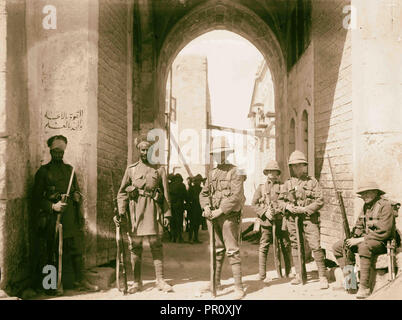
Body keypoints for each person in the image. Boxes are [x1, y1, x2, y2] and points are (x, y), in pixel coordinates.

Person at [32, 135, 98, 295]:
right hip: (52, 219)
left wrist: (76, 196)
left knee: (76, 250)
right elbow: (35, 198)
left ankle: (80, 281)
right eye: (55, 151)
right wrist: (52, 206)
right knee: (53, 251)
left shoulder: (70, 170)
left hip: (69, 218)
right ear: (50, 151)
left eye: (61, 151)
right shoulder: (43, 171)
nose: (58, 154)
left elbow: (76, 190)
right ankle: (52, 285)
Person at [117, 135, 172, 293]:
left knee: (156, 246)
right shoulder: (131, 169)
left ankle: (160, 280)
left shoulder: (159, 169)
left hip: (154, 212)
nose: (145, 152)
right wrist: (121, 211)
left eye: (148, 149)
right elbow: (122, 193)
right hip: (136, 213)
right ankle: (136, 282)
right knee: (135, 247)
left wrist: (167, 215)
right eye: (142, 149)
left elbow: (166, 195)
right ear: (138, 151)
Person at [199, 136, 247, 300]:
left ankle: (239, 288)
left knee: (232, 251)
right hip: (213, 218)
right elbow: (204, 193)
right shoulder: (211, 173)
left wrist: (220, 210)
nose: (218, 157)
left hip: (228, 217)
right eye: (215, 154)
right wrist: (205, 207)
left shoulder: (236, 171)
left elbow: (237, 196)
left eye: (222, 153)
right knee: (217, 250)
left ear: (227, 153)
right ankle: (215, 282)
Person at [332, 181, 396, 299]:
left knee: (364, 247)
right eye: (363, 194)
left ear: (375, 193)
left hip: (381, 242)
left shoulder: (385, 206)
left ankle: (364, 287)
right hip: (366, 240)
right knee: (338, 246)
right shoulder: (366, 206)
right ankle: (350, 282)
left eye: (367, 193)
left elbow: (385, 232)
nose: (364, 196)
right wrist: (353, 237)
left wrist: (360, 240)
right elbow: (359, 225)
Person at [278, 150, 329, 289]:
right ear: (291, 167)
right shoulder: (287, 184)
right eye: (294, 166)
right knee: (295, 245)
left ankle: (322, 276)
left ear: (304, 166)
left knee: (315, 245)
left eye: (300, 165)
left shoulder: (312, 182)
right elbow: (279, 201)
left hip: (309, 218)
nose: (297, 168)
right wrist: (288, 206)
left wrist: (305, 209)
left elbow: (320, 201)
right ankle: (299, 274)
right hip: (292, 219)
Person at [251, 160, 291, 281]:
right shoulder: (261, 188)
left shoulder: (284, 186)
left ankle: (288, 273)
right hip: (266, 222)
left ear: (278, 173)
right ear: (266, 173)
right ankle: (262, 274)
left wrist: (279, 211)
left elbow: (288, 202)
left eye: (275, 171)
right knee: (264, 246)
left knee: (285, 245)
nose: (272, 174)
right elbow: (254, 204)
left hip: (280, 221)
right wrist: (265, 213)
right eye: (270, 171)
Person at [169, 173, 188, 243]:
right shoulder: (181, 185)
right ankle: (179, 238)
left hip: (171, 206)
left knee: (172, 222)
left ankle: (173, 238)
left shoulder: (170, 185)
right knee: (179, 222)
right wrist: (188, 202)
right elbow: (186, 196)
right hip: (179, 206)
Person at [187, 174, 204, 244]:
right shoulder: (198, 189)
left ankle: (193, 238)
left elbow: (188, 198)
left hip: (193, 208)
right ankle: (192, 238)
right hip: (195, 208)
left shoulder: (192, 188)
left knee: (195, 224)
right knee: (194, 224)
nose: (200, 182)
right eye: (199, 181)